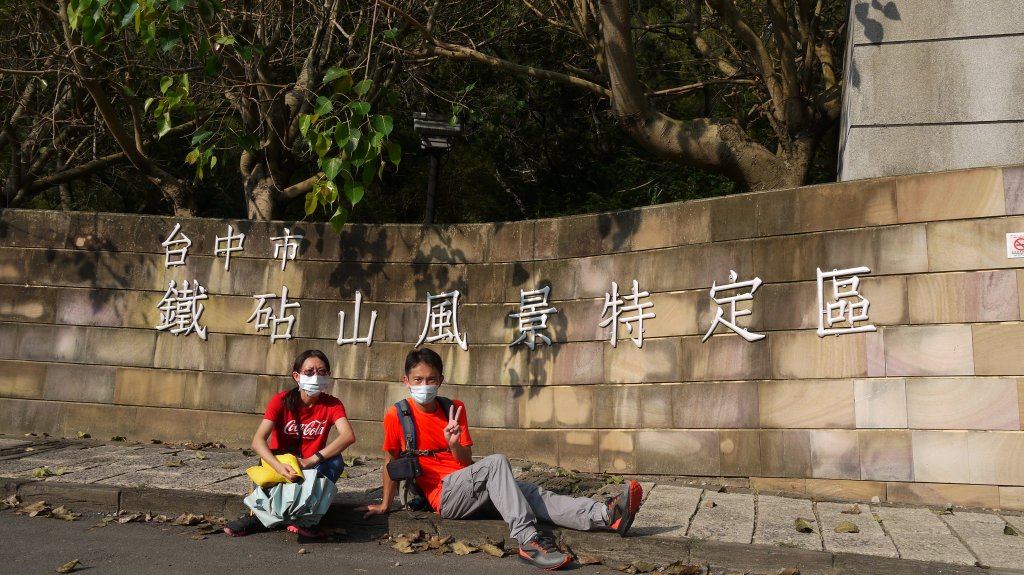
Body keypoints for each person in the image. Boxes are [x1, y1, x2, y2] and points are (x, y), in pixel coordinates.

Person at [357, 348, 643, 570]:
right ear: (405, 381)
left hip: (468, 488)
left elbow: (466, 463)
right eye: (418, 379)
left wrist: (453, 444)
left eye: (431, 379)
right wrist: (385, 504)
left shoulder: (454, 409)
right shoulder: (398, 415)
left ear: (441, 380)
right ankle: (528, 539)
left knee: (530, 492)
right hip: (444, 497)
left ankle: (606, 516)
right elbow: (390, 461)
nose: (425, 385)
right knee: (496, 463)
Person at [224, 349, 356, 538]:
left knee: (335, 461)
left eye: (322, 372)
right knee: (263, 466)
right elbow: (258, 441)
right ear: (297, 376)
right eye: (309, 372)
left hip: (312, 466)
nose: (316, 377)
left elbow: (348, 436)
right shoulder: (281, 401)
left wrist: (312, 460)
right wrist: (277, 466)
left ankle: (307, 518)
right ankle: (260, 518)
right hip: (282, 463)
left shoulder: (333, 404)